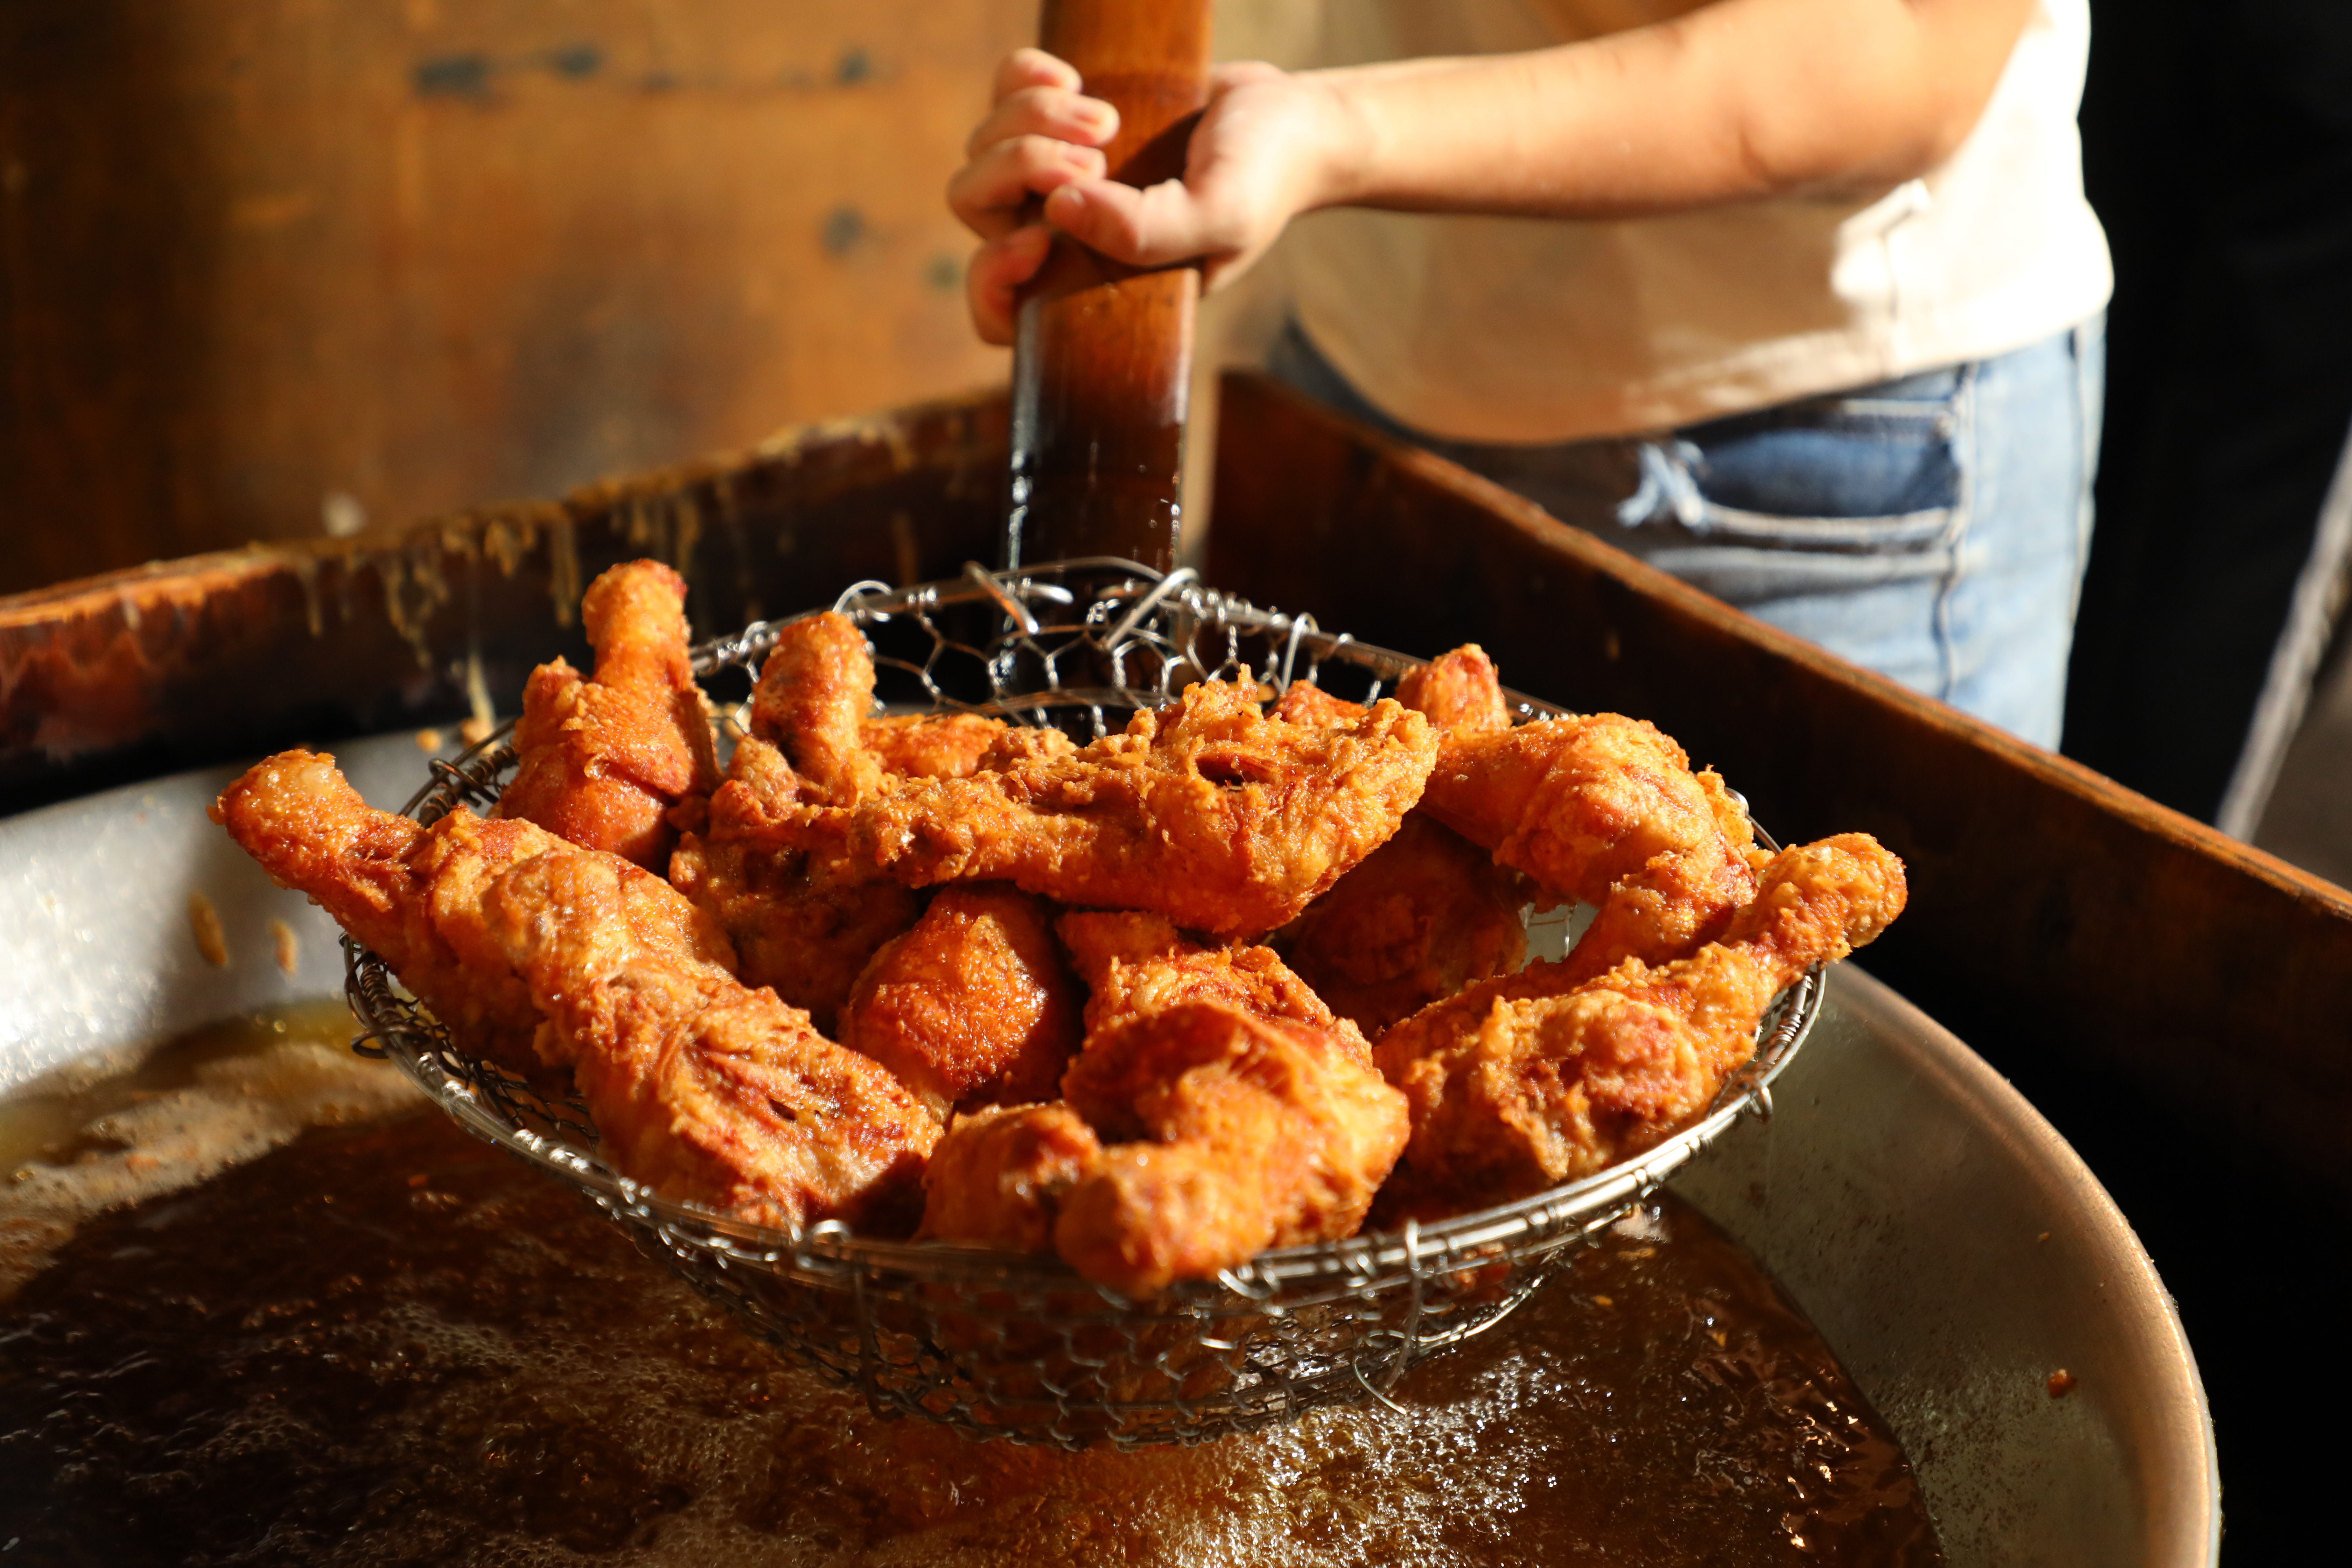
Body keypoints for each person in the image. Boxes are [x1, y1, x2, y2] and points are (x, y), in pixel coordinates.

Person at [945, 0, 2110, 749]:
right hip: (1357, 355)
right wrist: (1130, 165)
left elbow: (1895, 39)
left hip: (1803, 464)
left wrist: (1335, 133)